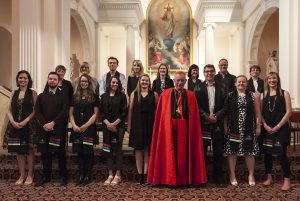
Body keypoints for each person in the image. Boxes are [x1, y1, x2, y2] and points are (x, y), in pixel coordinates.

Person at [147, 71, 207, 186]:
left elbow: (194, 116)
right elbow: (161, 115)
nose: (180, 83)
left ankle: (183, 180)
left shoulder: (191, 95)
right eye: (177, 80)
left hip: (186, 130)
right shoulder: (165, 95)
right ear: (173, 81)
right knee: (170, 155)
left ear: (185, 81)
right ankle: (169, 179)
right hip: (169, 130)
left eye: (182, 80)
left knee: (184, 157)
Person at [224, 75, 261, 186]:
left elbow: (258, 113)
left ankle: (251, 174)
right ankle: (232, 174)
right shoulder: (230, 96)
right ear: (235, 84)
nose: (241, 84)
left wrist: (258, 126)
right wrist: (225, 126)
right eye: (239, 82)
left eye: (243, 82)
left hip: (249, 128)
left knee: (249, 151)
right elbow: (226, 113)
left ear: (247, 83)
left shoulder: (253, 95)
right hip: (233, 128)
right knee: (232, 151)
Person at [34, 72, 69, 187]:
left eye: (54, 79)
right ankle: (46, 176)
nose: (52, 81)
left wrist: (53, 123)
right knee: (45, 153)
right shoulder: (41, 96)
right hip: (44, 129)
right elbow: (37, 111)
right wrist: (45, 124)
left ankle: (63, 176)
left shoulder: (63, 95)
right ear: (47, 80)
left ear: (58, 81)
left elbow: (64, 112)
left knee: (60, 153)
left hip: (58, 129)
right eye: (50, 79)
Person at [194, 64, 226, 186]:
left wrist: (216, 116)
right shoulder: (198, 88)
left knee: (218, 151)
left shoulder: (222, 87)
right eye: (207, 71)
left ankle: (218, 177)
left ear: (215, 72)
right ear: (204, 73)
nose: (209, 73)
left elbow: (226, 106)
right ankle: (202, 177)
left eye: (211, 71)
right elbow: (196, 106)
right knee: (203, 151)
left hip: (218, 123)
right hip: (204, 124)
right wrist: (207, 117)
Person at [4, 70, 37, 185]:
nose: (22, 80)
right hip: (15, 125)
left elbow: (35, 110)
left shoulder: (33, 93)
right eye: (20, 78)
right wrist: (12, 121)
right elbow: (8, 109)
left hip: (29, 126)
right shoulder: (14, 92)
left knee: (29, 149)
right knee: (19, 151)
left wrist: (25, 121)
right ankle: (22, 174)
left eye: (25, 78)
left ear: (29, 80)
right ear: (17, 79)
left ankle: (30, 175)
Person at [261, 72, 292, 191]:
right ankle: (269, 177)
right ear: (267, 80)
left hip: (281, 129)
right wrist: (265, 125)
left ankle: (287, 179)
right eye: (269, 78)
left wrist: (278, 126)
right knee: (267, 154)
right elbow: (260, 113)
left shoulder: (285, 93)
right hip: (267, 129)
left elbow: (289, 112)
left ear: (278, 80)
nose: (272, 80)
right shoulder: (263, 94)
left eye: (274, 78)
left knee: (281, 154)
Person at [127, 74, 158, 184]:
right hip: (137, 125)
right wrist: (129, 125)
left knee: (147, 150)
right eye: (142, 80)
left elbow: (157, 111)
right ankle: (140, 175)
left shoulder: (154, 94)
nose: (144, 82)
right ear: (139, 81)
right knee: (138, 150)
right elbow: (130, 111)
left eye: (146, 80)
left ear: (149, 82)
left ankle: (146, 175)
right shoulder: (133, 94)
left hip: (150, 125)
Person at [69, 74, 99, 186]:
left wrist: (86, 125)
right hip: (77, 128)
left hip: (89, 128)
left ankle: (87, 175)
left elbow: (96, 114)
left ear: (89, 83)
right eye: (82, 81)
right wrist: (73, 125)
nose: (84, 83)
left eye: (86, 81)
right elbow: (70, 113)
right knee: (79, 152)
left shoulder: (94, 96)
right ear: (79, 82)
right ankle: (81, 175)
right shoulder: (75, 96)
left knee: (88, 152)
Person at [100, 76, 127, 185]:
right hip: (107, 126)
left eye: (116, 82)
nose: (114, 84)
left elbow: (124, 112)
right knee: (108, 149)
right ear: (109, 83)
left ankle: (118, 175)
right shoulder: (103, 96)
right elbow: (101, 112)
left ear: (119, 84)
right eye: (112, 82)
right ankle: (110, 174)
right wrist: (108, 124)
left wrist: (114, 124)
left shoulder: (122, 96)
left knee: (118, 149)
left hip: (118, 127)